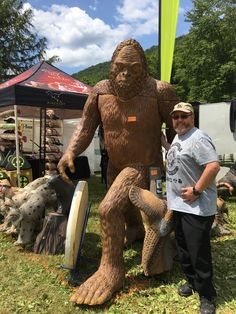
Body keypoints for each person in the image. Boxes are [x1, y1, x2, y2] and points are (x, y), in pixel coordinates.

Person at [58, 38, 178, 305]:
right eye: (119, 66)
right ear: (112, 66)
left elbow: (177, 129)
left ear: (143, 68)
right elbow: (86, 126)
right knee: (126, 213)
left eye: (133, 68)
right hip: (115, 164)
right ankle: (134, 230)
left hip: (146, 165)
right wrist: (70, 151)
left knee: (109, 208)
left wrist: (178, 162)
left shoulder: (159, 91)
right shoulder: (100, 91)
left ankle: (111, 271)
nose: (125, 73)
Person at [166, 102, 220, 314]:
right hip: (180, 206)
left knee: (199, 252)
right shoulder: (179, 137)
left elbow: (213, 166)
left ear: (192, 118)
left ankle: (207, 295)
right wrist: (164, 144)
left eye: (184, 116)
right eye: (176, 116)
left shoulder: (198, 137)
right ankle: (192, 282)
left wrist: (197, 190)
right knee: (184, 249)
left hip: (196, 206)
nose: (179, 120)